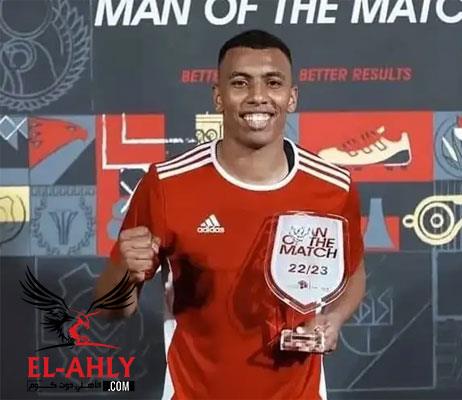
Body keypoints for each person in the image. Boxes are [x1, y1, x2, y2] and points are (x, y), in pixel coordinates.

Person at [95, 29, 366, 400]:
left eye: (273, 83)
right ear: (218, 97)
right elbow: (110, 309)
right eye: (240, 83)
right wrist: (124, 271)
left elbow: (353, 272)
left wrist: (333, 319)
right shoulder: (167, 185)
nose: (258, 96)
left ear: (292, 97)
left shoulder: (333, 187)